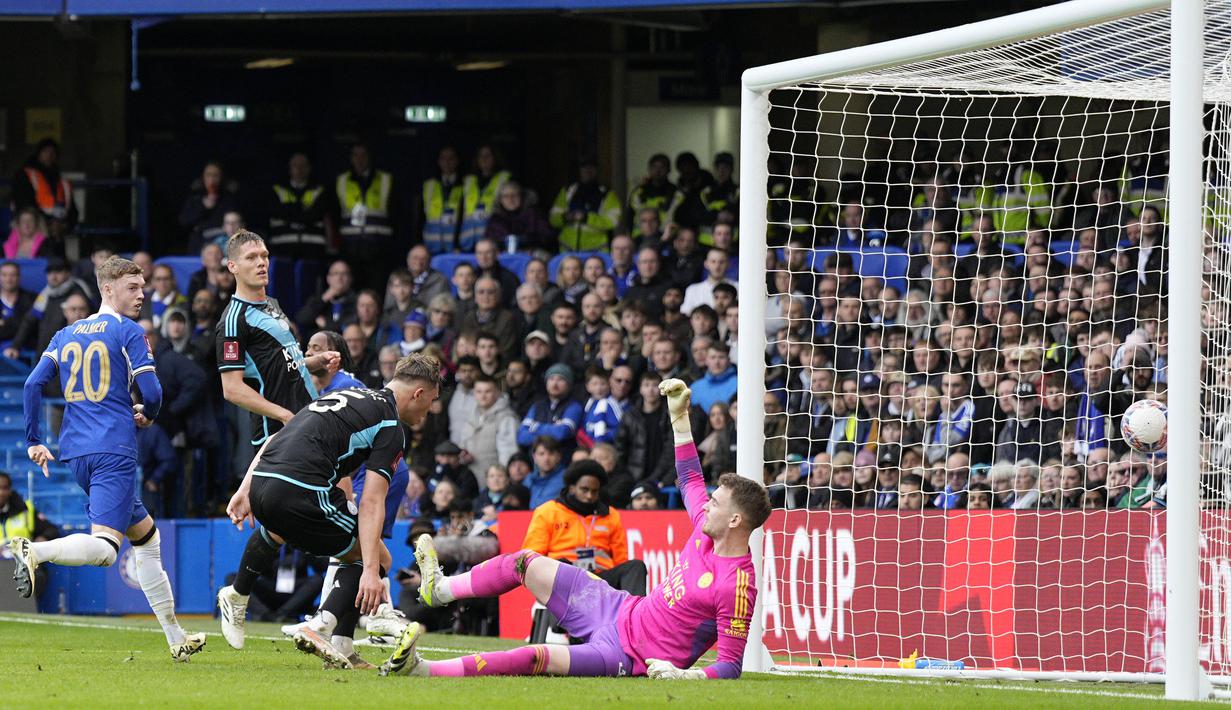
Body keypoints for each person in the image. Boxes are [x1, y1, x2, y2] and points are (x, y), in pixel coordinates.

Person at [379, 377, 770, 680]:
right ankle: (438, 589)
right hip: (617, 607)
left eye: (717, 502)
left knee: (537, 657)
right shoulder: (706, 529)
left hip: (626, 655)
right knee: (524, 562)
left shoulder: (736, 586)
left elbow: (731, 665)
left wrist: (687, 674)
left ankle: (423, 671)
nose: (708, 504)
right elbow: (689, 480)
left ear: (736, 520)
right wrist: (679, 419)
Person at [9, 256, 205, 662]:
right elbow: (151, 393)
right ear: (108, 289)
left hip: (77, 452)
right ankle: (36, 551)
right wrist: (147, 415)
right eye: (133, 287)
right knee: (105, 550)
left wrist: (33, 439)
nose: (142, 294)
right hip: (113, 450)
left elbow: (32, 384)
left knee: (148, 540)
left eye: (143, 286)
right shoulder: (127, 331)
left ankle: (175, 637)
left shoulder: (65, 334)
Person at [224, 353, 442, 670]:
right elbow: (372, 502)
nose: (429, 410)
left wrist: (245, 488)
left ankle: (238, 595)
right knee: (379, 558)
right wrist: (371, 570)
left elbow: (279, 436)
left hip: (264, 481)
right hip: (301, 490)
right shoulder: (390, 426)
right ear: (418, 393)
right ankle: (319, 626)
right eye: (432, 400)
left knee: (289, 530)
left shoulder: (346, 395)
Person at [213, 231, 341, 650]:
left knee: (293, 522)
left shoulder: (272, 307)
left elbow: (276, 365)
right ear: (232, 266)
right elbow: (232, 388)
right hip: (282, 430)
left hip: (310, 419)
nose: (262, 262)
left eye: (265, 255)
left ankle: (241, 595)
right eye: (251, 257)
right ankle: (351, 614)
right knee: (343, 509)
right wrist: (284, 414)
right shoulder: (232, 321)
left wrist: (311, 361)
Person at [522, 459, 646, 596]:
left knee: (635, 566)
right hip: (564, 576)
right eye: (584, 490)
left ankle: (634, 614)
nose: (589, 496)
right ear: (572, 487)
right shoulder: (548, 511)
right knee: (561, 565)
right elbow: (531, 556)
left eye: (594, 491)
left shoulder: (611, 515)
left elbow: (620, 559)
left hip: (600, 578)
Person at [268, 152, 333, 260]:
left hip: (313, 249)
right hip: (282, 249)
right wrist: (302, 208)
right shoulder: (277, 190)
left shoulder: (319, 191)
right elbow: (276, 212)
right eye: (295, 166)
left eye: (303, 166)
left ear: (309, 169)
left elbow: (316, 214)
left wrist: (289, 209)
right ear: (290, 169)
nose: (299, 169)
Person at [550, 157, 622, 252]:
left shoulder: (607, 194)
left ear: (596, 170)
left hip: (596, 251)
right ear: (579, 170)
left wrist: (587, 218)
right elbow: (553, 219)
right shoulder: (567, 191)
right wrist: (565, 217)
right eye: (584, 167)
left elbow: (613, 221)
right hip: (568, 250)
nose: (588, 170)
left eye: (591, 167)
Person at [458, 374, 519, 481]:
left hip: (494, 482)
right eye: (479, 391)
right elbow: (463, 443)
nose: (483, 396)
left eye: (488, 391)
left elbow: (508, 455)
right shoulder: (471, 415)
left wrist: (501, 480)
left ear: (497, 393)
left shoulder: (506, 418)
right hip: (470, 479)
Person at [180, 161, 241, 253]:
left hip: (222, 244)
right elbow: (184, 221)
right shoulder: (195, 198)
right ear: (203, 178)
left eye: (215, 175)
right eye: (208, 175)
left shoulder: (229, 198)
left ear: (221, 178)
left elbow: (234, 223)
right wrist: (202, 207)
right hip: (199, 245)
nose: (212, 179)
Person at [459, 144, 511, 252]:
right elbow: (459, 214)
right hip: (468, 241)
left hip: (493, 239)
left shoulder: (505, 178)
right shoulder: (468, 180)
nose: (484, 159)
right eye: (481, 156)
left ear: (495, 158)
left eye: (488, 155)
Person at [0, 261, 36, 348]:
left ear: (19, 277)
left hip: (24, 351)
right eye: (4, 275)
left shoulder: (31, 299)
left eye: (12, 275)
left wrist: (4, 323)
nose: (9, 279)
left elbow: (30, 328)